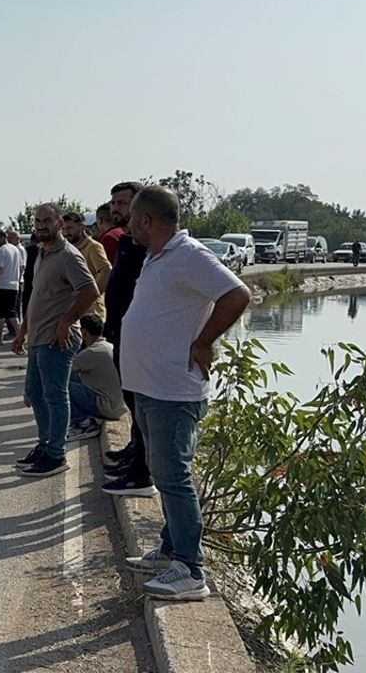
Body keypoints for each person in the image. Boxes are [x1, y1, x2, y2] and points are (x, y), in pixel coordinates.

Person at [120, 185, 250, 601]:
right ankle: (171, 549)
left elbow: (237, 294)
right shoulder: (158, 255)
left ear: (146, 220)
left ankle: (191, 571)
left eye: (131, 218)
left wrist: (204, 341)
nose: (127, 225)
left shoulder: (190, 255)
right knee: (162, 473)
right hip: (150, 386)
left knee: (173, 477)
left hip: (173, 390)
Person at [12, 203, 98, 477]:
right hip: (38, 338)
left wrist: (66, 322)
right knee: (35, 393)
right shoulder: (42, 253)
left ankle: (56, 454)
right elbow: (37, 297)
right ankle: (45, 445)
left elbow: (90, 290)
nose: (41, 226)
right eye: (38, 221)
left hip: (57, 340)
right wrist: (23, 331)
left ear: (59, 223)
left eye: (47, 221)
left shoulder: (68, 256)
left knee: (55, 396)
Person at [100, 182, 155, 497]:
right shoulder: (126, 242)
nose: (115, 208)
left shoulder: (148, 249)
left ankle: (142, 473)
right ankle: (135, 453)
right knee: (133, 404)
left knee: (141, 405)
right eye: (113, 203)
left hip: (139, 341)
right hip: (120, 334)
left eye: (121, 203)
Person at [67, 314, 128, 441]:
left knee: (62, 385)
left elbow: (61, 370)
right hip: (118, 405)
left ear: (83, 332)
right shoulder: (108, 346)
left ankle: (84, 423)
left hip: (106, 407)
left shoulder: (90, 353)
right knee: (73, 377)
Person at [62, 211, 111, 321]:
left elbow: (106, 271)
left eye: (69, 228)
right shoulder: (69, 250)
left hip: (92, 314)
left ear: (81, 227)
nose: (66, 232)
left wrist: (91, 296)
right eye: (63, 229)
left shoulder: (93, 247)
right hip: (75, 312)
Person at [0, 229, 22, 344]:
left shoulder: (1, 251)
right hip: (13, 285)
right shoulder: (15, 250)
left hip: (0, 285)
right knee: (11, 313)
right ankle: (20, 334)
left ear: (2, 237)